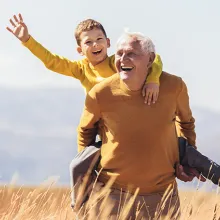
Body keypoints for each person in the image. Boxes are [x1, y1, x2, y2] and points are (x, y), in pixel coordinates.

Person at [76, 31, 198, 219]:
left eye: (131, 53)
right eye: (119, 53)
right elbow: (85, 131)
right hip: (112, 195)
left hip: (162, 195)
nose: (123, 59)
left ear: (150, 60)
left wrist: (187, 159)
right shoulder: (100, 93)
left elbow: (186, 123)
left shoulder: (174, 86)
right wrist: (87, 170)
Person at [6, 14, 162, 105]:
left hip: (130, 113)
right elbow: (51, 61)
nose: (95, 44)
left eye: (99, 39)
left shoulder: (118, 61)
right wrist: (27, 39)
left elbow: (154, 58)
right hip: (104, 124)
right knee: (84, 158)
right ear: (80, 50)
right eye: (88, 42)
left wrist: (153, 80)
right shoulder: (81, 69)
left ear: (108, 43)